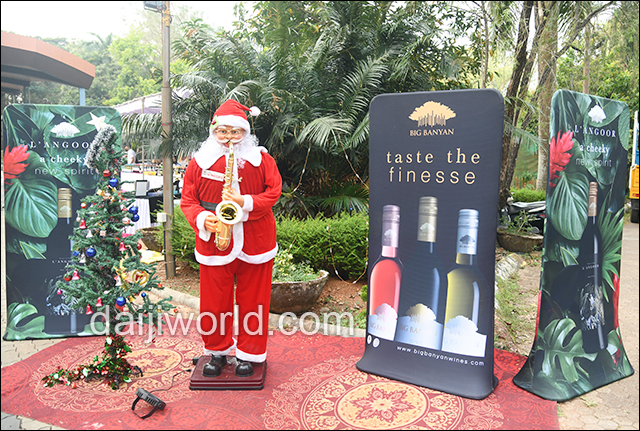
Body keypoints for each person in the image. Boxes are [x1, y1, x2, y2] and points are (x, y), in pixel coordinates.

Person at [180, 99, 282, 378]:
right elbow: (188, 200)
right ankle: (217, 351)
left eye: (235, 132)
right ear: (213, 132)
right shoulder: (199, 162)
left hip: (256, 239)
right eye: (222, 132)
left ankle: (250, 354)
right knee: (214, 302)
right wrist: (203, 219)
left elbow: (274, 192)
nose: (228, 138)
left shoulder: (262, 160)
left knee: (254, 300)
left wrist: (244, 201)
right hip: (214, 240)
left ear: (245, 133)